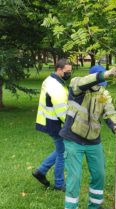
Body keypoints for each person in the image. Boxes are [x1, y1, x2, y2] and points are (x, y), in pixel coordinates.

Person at [59, 65, 116, 209]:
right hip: (73, 139)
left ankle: (95, 207)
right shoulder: (77, 85)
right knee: (75, 178)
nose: (102, 87)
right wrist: (106, 74)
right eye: (101, 81)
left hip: (94, 140)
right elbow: (84, 82)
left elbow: (109, 113)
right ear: (96, 77)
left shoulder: (103, 94)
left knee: (99, 174)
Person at [33, 59, 72, 191]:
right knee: (63, 153)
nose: (69, 74)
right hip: (55, 124)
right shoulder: (55, 85)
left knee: (60, 149)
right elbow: (61, 109)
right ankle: (59, 184)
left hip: (48, 122)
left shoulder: (50, 80)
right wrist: (69, 124)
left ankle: (41, 171)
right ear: (59, 70)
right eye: (67, 71)